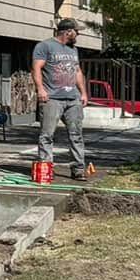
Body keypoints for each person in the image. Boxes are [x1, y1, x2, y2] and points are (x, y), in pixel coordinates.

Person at [32, 18, 93, 179]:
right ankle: (46, 171)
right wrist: (40, 89)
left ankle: (78, 169)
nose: (78, 34)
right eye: (76, 31)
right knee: (47, 135)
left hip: (73, 99)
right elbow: (36, 68)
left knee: (76, 134)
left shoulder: (74, 49)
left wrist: (83, 93)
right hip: (52, 99)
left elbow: (77, 71)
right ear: (68, 32)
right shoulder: (45, 46)